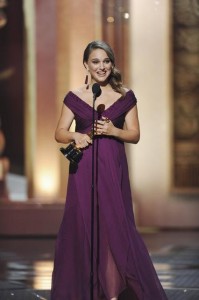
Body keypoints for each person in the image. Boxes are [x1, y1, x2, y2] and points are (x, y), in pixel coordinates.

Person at [51, 41, 168, 300]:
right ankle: (85, 290)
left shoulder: (125, 96)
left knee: (114, 225)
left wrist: (114, 131)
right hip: (82, 171)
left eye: (106, 61)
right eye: (95, 62)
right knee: (82, 225)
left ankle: (114, 293)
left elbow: (135, 134)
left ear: (112, 64)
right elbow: (59, 132)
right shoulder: (75, 96)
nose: (101, 66)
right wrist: (75, 136)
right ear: (86, 65)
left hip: (112, 169)